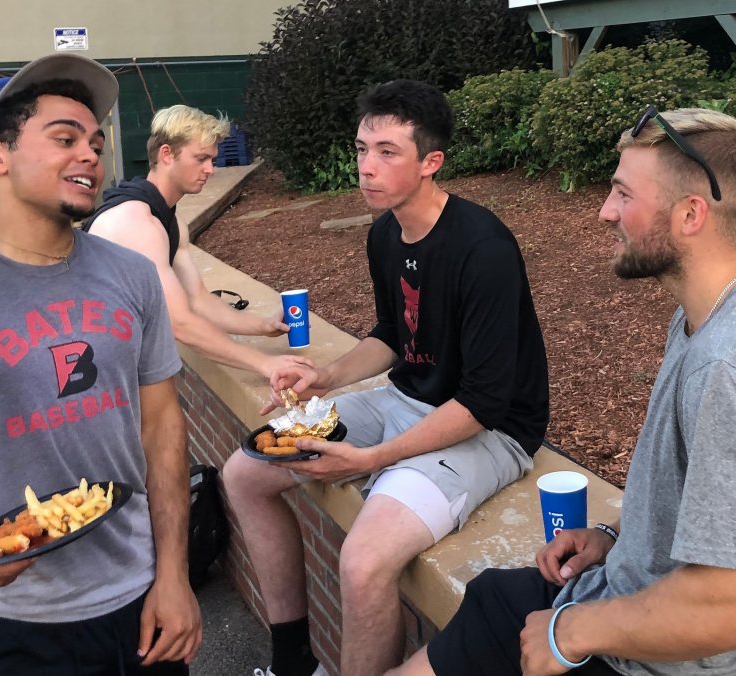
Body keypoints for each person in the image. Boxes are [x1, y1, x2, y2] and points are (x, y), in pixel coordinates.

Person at [389, 107, 736, 676]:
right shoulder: (710, 318)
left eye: (623, 194)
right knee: (487, 602)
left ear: (690, 214)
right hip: (619, 596)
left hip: (666, 659)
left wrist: (571, 631)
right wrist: (617, 538)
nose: (605, 211)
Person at [222, 79, 550, 676]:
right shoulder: (385, 233)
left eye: (386, 152)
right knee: (245, 473)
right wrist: (326, 377)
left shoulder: (485, 247)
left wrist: (371, 460)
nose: (366, 168)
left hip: (490, 431)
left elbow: (483, 401)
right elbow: (394, 336)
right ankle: (293, 660)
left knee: (363, 560)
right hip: (406, 398)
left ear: (431, 162)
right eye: (360, 149)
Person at [0, 54, 202, 674]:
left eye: (95, 141)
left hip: (140, 605)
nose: (92, 155)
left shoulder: (133, 277)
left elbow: (163, 428)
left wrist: (175, 575)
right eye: (64, 138)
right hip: (2, 620)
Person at [83, 104, 312, 380]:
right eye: (201, 158)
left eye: (212, 160)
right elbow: (180, 322)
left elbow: (198, 300)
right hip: (89, 367)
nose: (210, 169)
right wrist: (265, 364)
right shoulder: (136, 222)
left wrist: (263, 325)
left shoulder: (169, 221)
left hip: (119, 357)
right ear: (166, 154)